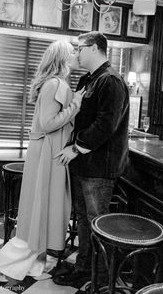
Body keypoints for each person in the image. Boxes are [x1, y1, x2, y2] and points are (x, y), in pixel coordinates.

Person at [0, 40, 85, 282]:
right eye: (72, 52)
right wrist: (76, 105)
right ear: (63, 58)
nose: (76, 55)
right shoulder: (55, 84)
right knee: (41, 208)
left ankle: (33, 261)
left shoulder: (56, 83)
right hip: (47, 153)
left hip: (46, 151)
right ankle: (14, 263)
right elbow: (48, 124)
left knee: (42, 209)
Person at [53, 31, 130, 293]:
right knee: (85, 220)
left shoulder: (111, 81)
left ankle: (101, 280)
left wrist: (75, 148)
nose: (76, 53)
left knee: (98, 222)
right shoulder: (89, 79)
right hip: (84, 165)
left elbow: (106, 125)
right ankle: (84, 269)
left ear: (95, 48)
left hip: (99, 167)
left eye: (79, 49)